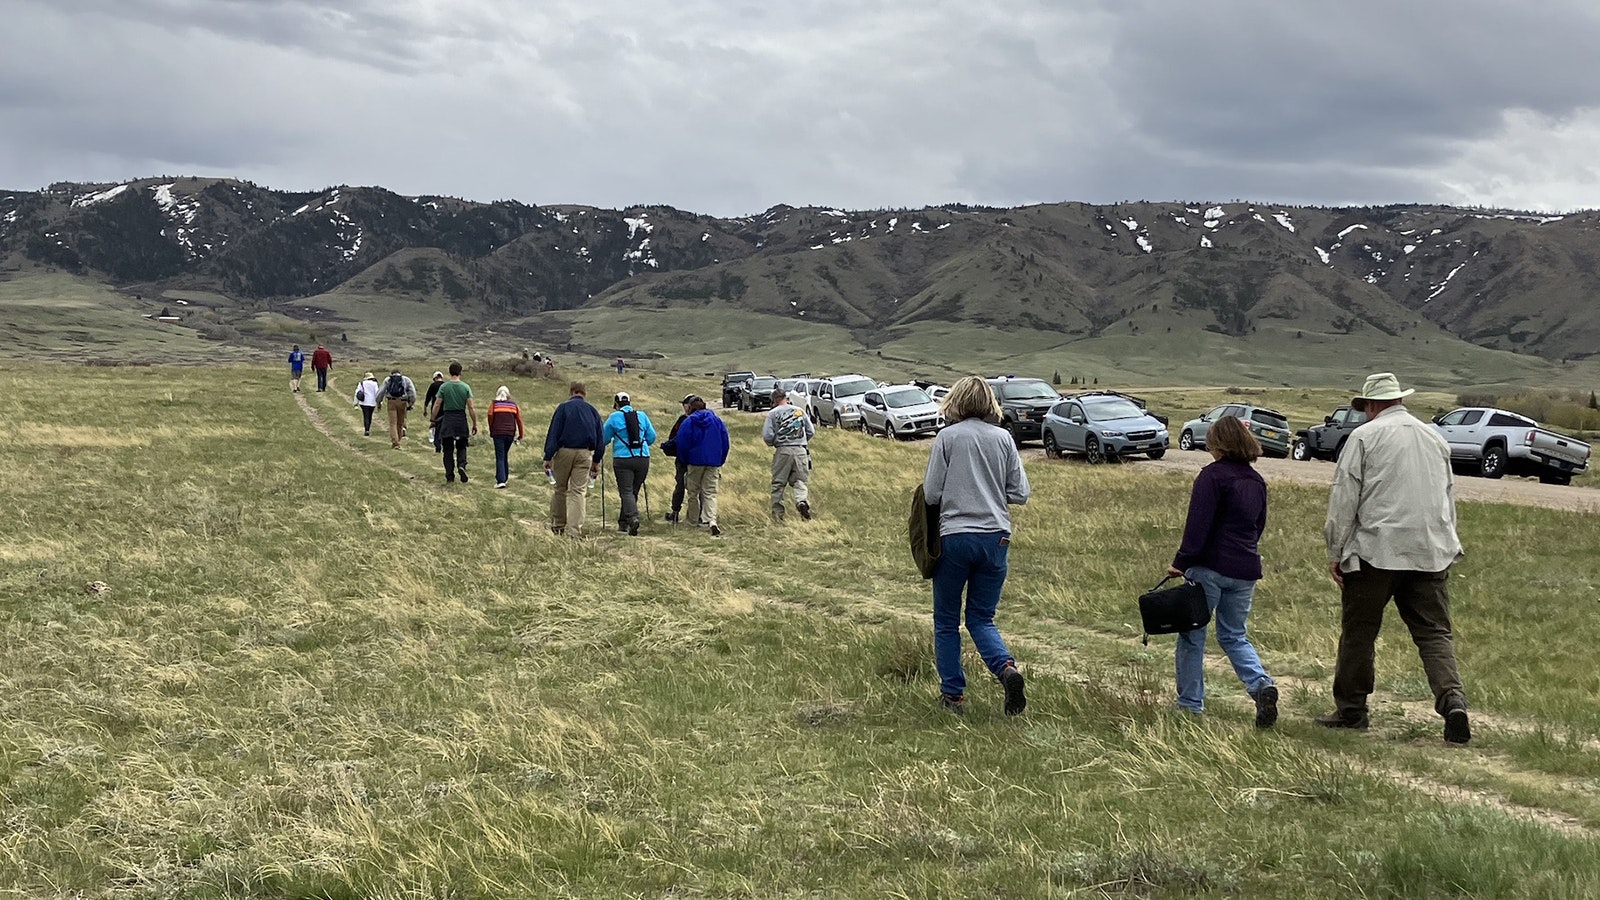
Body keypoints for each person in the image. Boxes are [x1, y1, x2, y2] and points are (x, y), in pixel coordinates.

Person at [1321, 372, 1470, 744]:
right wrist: (1448, 544)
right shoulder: (1435, 438)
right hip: (1429, 551)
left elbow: (1344, 499)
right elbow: (1447, 496)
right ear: (1400, 399)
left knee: (1359, 634)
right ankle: (1452, 699)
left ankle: (1352, 711)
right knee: (1434, 634)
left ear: (1371, 405)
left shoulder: (1364, 437)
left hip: (1376, 550)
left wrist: (1336, 551)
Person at [922, 375, 1029, 716]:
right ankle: (1005, 668)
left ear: (955, 402)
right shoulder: (1003, 438)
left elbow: (931, 493)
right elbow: (1020, 493)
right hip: (996, 537)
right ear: (989, 403)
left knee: (946, 620)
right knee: (981, 617)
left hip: (955, 536)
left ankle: (953, 695)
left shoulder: (947, 438)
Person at [1168, 415, 1277, 727]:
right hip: (1245, 569)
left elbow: (1198, 526)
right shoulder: (1256, 481)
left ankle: (1190, 704)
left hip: (1209, 568)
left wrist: (1181, 562)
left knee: (1192, 635)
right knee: (1233, 635)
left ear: (1218, 443)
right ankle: (1260, 685)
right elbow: (1258, 526)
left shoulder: (1211, 477)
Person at [542, 382, 604, 537]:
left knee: (560, 488)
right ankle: (574, 530)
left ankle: (558, 525)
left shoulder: (563, 408)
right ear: (584, 393)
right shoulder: (593, 411)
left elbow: (554, 432)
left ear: (572, 392)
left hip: (564, 451)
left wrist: (548, 456)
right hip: (585, 453)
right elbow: (600, 438)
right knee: (578, 491)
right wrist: (596, 460)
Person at [602, 391, 657, 535]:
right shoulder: (642, 416)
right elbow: (652, 437)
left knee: (626, 491)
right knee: (633, 491)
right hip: (643, 458)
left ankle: (633, 518)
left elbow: (604, 438)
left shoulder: (614, 417)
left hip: (623, 459)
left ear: (616, 404)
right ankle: (623, 523)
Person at [677, 396, 730, 537]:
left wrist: (684, 460)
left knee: (693, 492)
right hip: (713, 461)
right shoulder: (717, 421)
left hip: (694, 461)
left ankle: (692, 521)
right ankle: (711, 520)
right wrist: (721, 459)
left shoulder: (689, 422)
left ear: (691, 407)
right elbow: (725, 441)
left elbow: (682, 443)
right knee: (710, 492)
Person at [762, 386, 815, 521]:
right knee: (800, 481)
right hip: (800, 450)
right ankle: (802, 502)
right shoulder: (799, 411)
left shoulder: (773, 414)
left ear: (775, 400)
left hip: (783, 450)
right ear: (786, 397)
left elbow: (767, 436)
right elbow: (811, 431)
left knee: (778, 483)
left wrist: (774, 442)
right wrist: (801, 441)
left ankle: (778, 514)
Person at [431, 363, 478, 483]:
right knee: (461, 446)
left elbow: (437, 404)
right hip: (461, 418)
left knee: (447, 449)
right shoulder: (465, 387)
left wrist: (433, 419)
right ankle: (461, 465)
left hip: (448, 419)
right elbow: (471, 407)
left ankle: (450, 476)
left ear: (450, 372)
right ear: (460, 372)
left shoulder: (444, 387)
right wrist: (474, 423)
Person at [662, 395, 695, 524]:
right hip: (699, 459)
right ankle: (698, 515)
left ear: (688, 405)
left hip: (683, 458)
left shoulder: (684, 420)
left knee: (680, 485)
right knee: (698, 488)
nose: (683, 407)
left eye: (684, 404)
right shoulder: (706, 419)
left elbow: (677, 437)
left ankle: (675, 512)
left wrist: (667, 446)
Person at [486, 386, 525, 488]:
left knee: (500, 456)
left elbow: (490, 415)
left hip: (498, 432)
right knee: (504, 454)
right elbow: (519, 420)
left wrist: (491, 427)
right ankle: (505, 477)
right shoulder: (513, 405)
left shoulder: (494, 404)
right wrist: (521, 434)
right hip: (510, 433)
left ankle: (501, 480)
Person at [381, 369, 417, 449]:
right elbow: (413, 393)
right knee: (400, 423)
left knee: (393, 423)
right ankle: (398, 440)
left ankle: (395, 442)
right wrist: (410, 403)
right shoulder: (406, 380)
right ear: (400, 373)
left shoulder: (388, 379)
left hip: (391, 402)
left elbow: (381, 391)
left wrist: (378, 402)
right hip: (402, 402)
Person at [422, 371, 446, 451]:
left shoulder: (433, 385)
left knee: (436, 426)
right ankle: (444, 443)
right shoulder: (445, 385)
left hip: (435, 409)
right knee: (444, 427)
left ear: (435, 378)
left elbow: (428, 397)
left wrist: (425, 409)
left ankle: (437, 445)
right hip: (445, 409)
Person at [353, 371, 381, 436]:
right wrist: (379, 402)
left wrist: (355, 403)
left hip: (363, 402)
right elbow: (377, 393)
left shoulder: (362, 383)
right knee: (370, 415)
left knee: (365, 415)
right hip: (372, 402)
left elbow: (357, 393)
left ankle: (366, 429)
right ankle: (368, 428)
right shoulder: (374, 384)